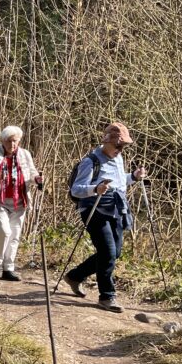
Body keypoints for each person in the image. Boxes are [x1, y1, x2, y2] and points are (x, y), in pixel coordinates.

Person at [63, 122, 146, 313]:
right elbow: (76, 189)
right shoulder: (91, 161)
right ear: (106, 141)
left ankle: (75, 276)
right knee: (108, 251)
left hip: (116, 209)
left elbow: (118, 182)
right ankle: (107, 297)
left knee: (114, 253)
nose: (120, 149)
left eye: (123, 146)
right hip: (94, 209)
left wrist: (133, 176)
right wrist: (96, 189)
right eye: (118, 145)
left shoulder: (118, 159)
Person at [0, 126, 44, 281]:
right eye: (9, 141)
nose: (12, 144)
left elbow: (31, 173)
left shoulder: (25, 154)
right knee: (3, 231)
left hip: (20, 201)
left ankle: (8, 268)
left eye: (15, 141)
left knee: (14, 235)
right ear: (2, 141)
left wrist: (37, 179)